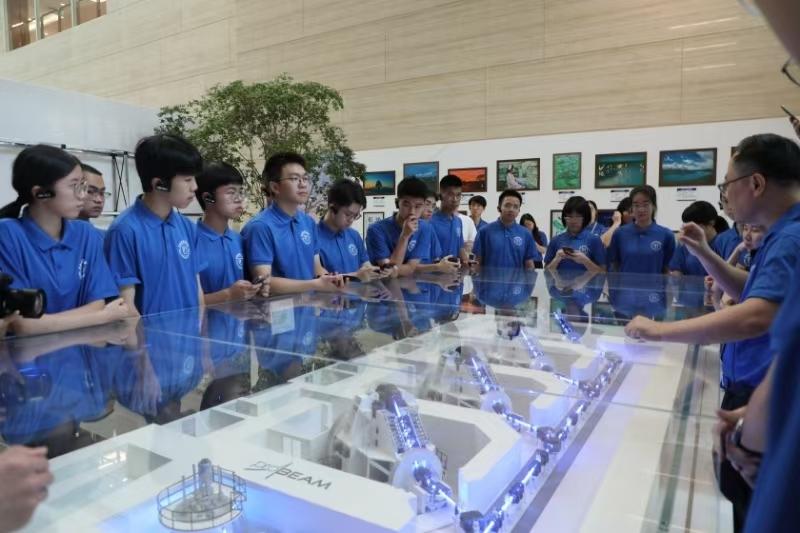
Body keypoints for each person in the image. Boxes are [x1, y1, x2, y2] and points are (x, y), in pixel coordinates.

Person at [624, 133, 800, 532]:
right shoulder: (782, 234)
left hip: (764, 392)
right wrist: (704, 252)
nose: (726, 197)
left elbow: (756, 316)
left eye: (727, 185)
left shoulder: (791, 237)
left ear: (756, 183)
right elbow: (753, 292)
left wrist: (659, 331)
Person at [0, 145, 129, 336]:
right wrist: (102, 317)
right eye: (74, 186)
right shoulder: (7, 234)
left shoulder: (85, 233)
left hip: (82, 350)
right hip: (29, 353)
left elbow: (97, 303)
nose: (82, 195)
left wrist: (96, 314)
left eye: (83, 185)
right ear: (41, 193)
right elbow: (22, 325)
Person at [105, 134, 206, 316]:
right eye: (187, 180)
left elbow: (197, 290)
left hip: (190, 333)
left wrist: (201, 330)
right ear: (159, 184)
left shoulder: (187, 227)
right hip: (150, 334)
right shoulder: (124, 231)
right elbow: (126, 306)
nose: (195, 187)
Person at [241, 152, 342, 295]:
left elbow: (317, 267)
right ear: (275, 187)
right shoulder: (260, 227)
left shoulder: (308, 222)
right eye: (295, 178)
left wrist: (329, 279)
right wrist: (314, 284)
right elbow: (264, 283)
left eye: (305, 178)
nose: (303, 184)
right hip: (277, 308)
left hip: (309, 306)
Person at [194, 161, 263, 305]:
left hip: (241, 319)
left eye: (240, 192)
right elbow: (184, 303)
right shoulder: (191, 240)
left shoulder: (239, 240)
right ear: (208, 197)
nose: (239, 199)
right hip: (204, 320)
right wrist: (228, 295)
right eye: (231, 192)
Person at [367, 178, 448, 277]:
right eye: (406, 205)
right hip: (381, 285)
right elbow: (389, 272)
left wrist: (395, 270)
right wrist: (404, 236)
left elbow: (410, 268)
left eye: (418, 206)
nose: (412, 212)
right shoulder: (376, 230)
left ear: (423, 206)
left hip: (409, 283)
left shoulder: (424, 228)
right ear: (397, 203)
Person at [317, 179, 384, 282]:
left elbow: (366, 266)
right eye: (348, 214)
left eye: (355, 216)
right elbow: (321, 279)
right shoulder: (313, 237)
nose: (351, 220)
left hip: (358, 292)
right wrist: (356, 276)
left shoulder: (354, 235)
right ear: (332, 207)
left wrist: (379, 272)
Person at [607, 186, 675, 274]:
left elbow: (668, 269)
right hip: (625, 283)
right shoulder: (620, 233)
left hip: (654, 283)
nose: (641, 209)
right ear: (632, 208)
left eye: (645, 205)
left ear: (654, 206)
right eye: (636, 205)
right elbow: (613, 265)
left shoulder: (666, 235)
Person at [472, 190, 540, 270]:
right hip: (490, 278)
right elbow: (477, 262)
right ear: (499, 208)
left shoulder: (526, 234)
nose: (511, 209)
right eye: (507, 205)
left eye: (515, 207)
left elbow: (529, 265)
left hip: (518, 278)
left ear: (519, 211)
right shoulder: (484, 232)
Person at [544, 196, 606, 272]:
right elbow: (545, 272)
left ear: (585, 217)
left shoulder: (594, 240)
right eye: (569, 217)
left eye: (578, 216)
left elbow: (603, 272)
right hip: (560, 280)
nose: (573, 221)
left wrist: (585, 261)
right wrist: (556, 259)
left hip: (588, 280)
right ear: (564, 217)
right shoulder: (555, 240)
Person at [669, 201, 721, 276]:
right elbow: (676, 271)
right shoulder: (685, 244)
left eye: (694, 226)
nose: (689, 230)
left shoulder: (723, 243)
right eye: (687, 226)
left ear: (711, 223)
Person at [429, 175, 467, 262]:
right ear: (440, 195)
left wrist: (467, 261)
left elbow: (460, 248)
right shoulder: (430, 221)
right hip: (434, 270)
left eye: (458, 195)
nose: (455, 199)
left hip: (455, 270)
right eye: (450, 194)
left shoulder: (458, 221)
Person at [715, 191, 743, 260]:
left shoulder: (764, 236)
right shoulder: (721, 240)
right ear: (721, 204)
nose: (730, 206)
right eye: (726, 201)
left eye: (735, 200)